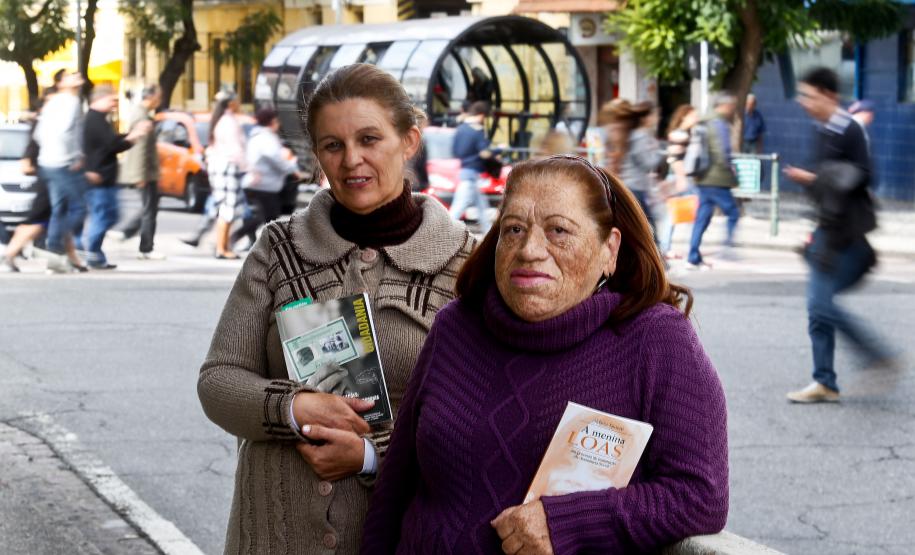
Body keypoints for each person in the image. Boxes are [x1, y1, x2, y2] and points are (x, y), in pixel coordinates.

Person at [361, 155, 729, 553]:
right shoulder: (456, 326)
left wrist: (569, 521)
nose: (530, 250)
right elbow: (395, 486)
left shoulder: (655, 340)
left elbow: (700, 495)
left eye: (558, 231)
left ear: (610, 249)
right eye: (514, 229)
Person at [197, 63, 475, 554]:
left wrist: (372, 455)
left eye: (370, 139)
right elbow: (219, 380)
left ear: (409, 141)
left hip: (394, 537)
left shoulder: (464, 265)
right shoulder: (280, 249)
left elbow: (481, 421)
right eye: (333, 145)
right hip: (274, 537)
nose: (352, 161)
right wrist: (292, 406)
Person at [784, 68, 898, 403]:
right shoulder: (821, 130)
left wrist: (815, 179)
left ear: (830, 96)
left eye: (810, 95)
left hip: (846, 237)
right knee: (817, 308)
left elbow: (863, 175)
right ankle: (825, 381)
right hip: (826, 231)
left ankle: (874, 356)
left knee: (820, 305)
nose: (804, 102)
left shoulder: (850, 128)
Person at [1, 94, 86, 273]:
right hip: (48, 176)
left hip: (50, 174)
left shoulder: (49, 124)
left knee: (56, 216)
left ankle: (71, 258)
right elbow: (31, 150)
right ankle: (13, 254)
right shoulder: (44, 126)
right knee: (40, 218)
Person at [81, 86, 151, 270]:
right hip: (99, 176)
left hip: (103, 176)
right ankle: (91, 251)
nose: (114, 104)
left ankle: (93, 252)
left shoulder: (99, 120)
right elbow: (111, 145)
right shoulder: (94, 120)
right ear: (99, 99)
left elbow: (111, 142)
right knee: (104, 215)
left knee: (107, 215)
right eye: (111, 100)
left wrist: (130, 136)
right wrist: (134, 137)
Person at [34, 71, 87, 262]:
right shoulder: (71, 102)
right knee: (80, 207)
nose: (77, 76)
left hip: (47, 161)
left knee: (59, 209)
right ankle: (54, 244)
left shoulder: (52, 102)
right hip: (61, 163)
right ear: (61, 83)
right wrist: (75, 158)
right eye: (71, 75)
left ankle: (54, 249)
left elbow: (38, 134)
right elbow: (65, 131)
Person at [229, 107, 301, 249]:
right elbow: (274, 158)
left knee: (267, 216)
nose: (279, 124)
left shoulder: (258, 136)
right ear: (272, 121)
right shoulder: (265, 138)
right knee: (267, 216)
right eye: (277, 120)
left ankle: (268, 245)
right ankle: (235, 238)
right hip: (262, 184)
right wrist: (291, 168)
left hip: (259, 183)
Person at [686, 93, 740, 269]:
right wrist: (730, 169)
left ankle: (693, 255)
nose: (733, 110)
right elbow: (722, 151)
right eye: (731, 106)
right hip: (716, 178)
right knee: (733, 212)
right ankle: (728, 246)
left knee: (702, 217)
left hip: (702, 176)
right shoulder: (719, 124)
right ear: (724, 106)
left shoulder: (704, 122)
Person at [115, 84, 166, 260]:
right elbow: (140, 148)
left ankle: (126, 232)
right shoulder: (141, 116)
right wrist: (140, 175)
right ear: (151, 97)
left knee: (149, 207)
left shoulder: (142, 114)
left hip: (147, 171)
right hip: (145, 172)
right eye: (158, 97)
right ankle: (145, 248)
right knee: (149, 209)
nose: (159, 101)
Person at [605, 99, 662, 240]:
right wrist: (660, 153)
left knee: (637, 228)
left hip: (628, 186)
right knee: (649, 230)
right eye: (655, 115)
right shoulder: (639, 136)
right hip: (635, 188)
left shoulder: (625, 134)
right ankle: (656, 260)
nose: (657, 119)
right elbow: (647, 163)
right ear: (646, 118)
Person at [206, 90, 247, 259]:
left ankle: (222, 246)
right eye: (237, 100)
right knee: (228, 208)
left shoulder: (220, 120)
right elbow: (235, 149)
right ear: (230, 103)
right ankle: (222, 248)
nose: (239, 104)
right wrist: (248, 167)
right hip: (228, 167)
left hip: (219, 167)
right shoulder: (229, 122)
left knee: (224, 207)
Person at [659, 104, 700, 257]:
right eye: (693, 115)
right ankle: (688, 249)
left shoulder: (685, 134)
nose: (696, 118)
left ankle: (668, 247)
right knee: (687, 212)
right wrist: (681, 178)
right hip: (680, 177)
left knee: (678, 213)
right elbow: (675, 159)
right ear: (684, 117)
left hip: (682, 177)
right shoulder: (679, 135)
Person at [449, 100, 496, 233]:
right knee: (457, 208)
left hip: (465, 171)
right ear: (482, 115)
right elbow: (484, 153)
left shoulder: (460, 129)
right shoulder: (477, 131)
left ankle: (488, 232)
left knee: (482, 206)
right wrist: (497, 151)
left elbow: (455, 151)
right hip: (471, 174)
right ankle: (443, 231)